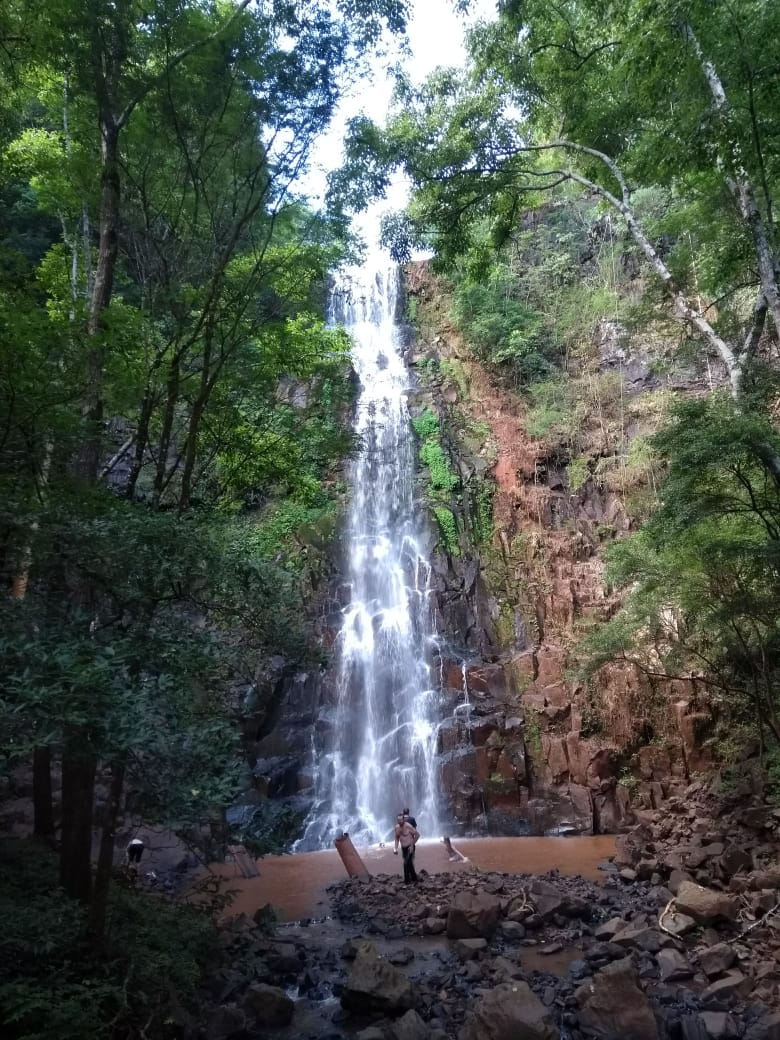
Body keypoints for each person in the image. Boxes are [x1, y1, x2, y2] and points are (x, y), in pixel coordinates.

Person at [394, 811, 419, 884]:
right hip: (403, 848)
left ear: (404, 820)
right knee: (409, 863)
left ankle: (406, 881)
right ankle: (414, 878)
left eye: (401, 820)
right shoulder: (397, 827)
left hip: (410, 847)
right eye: (398, 820)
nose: (399, 821)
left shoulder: (408, 826)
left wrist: (412, 845)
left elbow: (417, 835)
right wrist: (395, 848)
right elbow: (396, 838)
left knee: (406, 863)